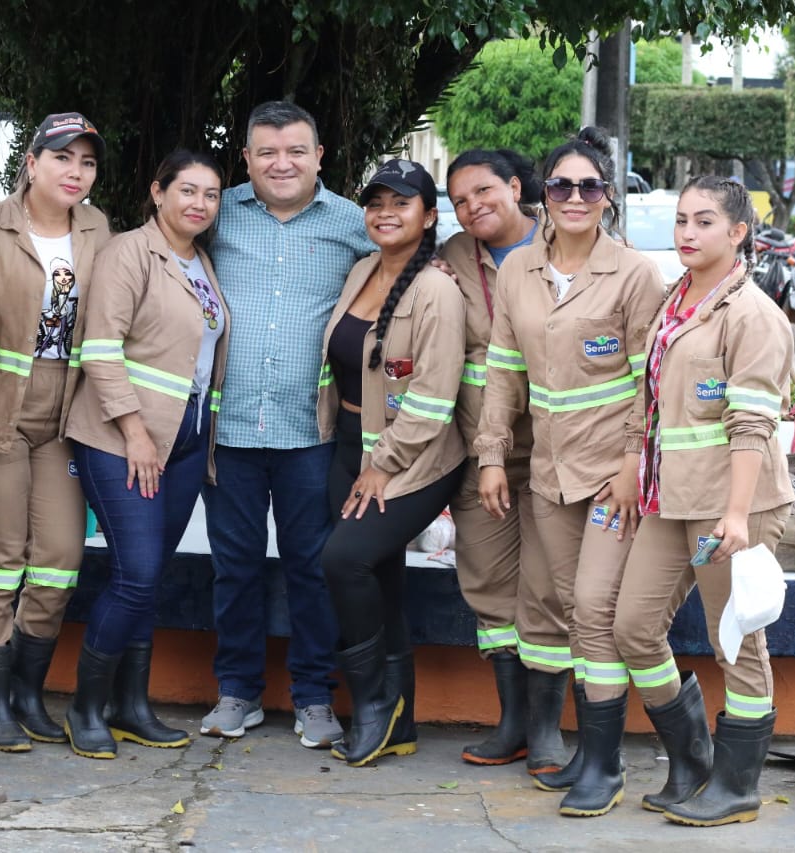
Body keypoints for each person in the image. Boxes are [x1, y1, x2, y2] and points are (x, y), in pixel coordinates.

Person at [475, 127, 664, 818]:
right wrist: (492, 453)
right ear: (542, 194)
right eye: (562, 185)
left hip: (610, 477)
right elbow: (503, 369)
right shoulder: (519, 269)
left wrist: (632, 462)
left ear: (607, 198)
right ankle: (589, 752)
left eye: (589, 186)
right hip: (548, 477)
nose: (575, 197)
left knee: (594, 609)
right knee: (562, 612)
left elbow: (653, 378)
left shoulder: (635, 274)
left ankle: (605, 765)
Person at [612, 176, 794, 826]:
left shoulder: (754, 317)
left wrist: (739, 515)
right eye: (682, 219)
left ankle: (738, 785)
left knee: (738, 643)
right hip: (671, 496)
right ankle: (691, 761)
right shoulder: (675, 299)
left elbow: (751, 425)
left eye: (705, 221)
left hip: (733, 503)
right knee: (633, 627)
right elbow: (650, 399)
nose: (687, 232)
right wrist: (634, 467)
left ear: (738, 231)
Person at [202, 100, 373, 749]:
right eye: (267, 151)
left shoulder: (352, 223)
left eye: (296, 150)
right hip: (231, 429)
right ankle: (237, 691)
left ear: (319, 156)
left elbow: (405, 275)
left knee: (311, 566)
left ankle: (312, 698)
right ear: (245, 158)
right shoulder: (218, 215)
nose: (282, 162)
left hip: (312, 431)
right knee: (234, 566)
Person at [64, 149, 229, 759]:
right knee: (135, 576)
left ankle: (132, 706)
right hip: (124, 438)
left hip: (186, 441)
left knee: (151, 576)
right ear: (157, 192)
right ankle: (86, 707)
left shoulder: (200, 261)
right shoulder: (129, 252)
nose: (199, 204)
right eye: (187, 190)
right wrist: (135, 432)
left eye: (211, 195)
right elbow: (100, 349)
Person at [0, 112, 111, 752]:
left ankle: (27, 690)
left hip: (65, 416)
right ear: (31, 163)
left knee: (59, 557)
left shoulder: (98, 228)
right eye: (61, 158)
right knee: (1, 560)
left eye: (86, 162)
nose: (74, 172)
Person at [316, 159, 466, 766]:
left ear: (428, 217)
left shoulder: (436, 290)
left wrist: (382, 463)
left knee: (343, 560)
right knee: (380, 577)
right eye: (376, 201)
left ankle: (375, 704)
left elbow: (433, 398)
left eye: (401, 203)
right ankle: (397, 722)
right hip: (349, 441)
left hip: (413, 457)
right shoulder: (361, 272)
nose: (385, 212)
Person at [438, 149, 572, 775]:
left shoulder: (566, 245)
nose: (473, 207)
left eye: (484, 191)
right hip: (479, 454)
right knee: (489, 586)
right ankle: (512, 721)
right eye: (461, 200)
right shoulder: (450, 260)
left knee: (548, 590)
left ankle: (547, 730)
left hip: (555, 453)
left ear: (517, 188)